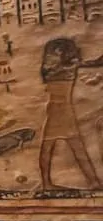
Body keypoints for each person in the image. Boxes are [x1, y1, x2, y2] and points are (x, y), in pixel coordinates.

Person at [38, 37, 103, 190]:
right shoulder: (63, 68)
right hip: (60, 112)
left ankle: (92, 181)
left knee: (54, 146)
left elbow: (90, 63)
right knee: (73, 146)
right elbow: (85, 63)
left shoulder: (56, 68)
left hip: (59, 111)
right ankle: (92, 182)